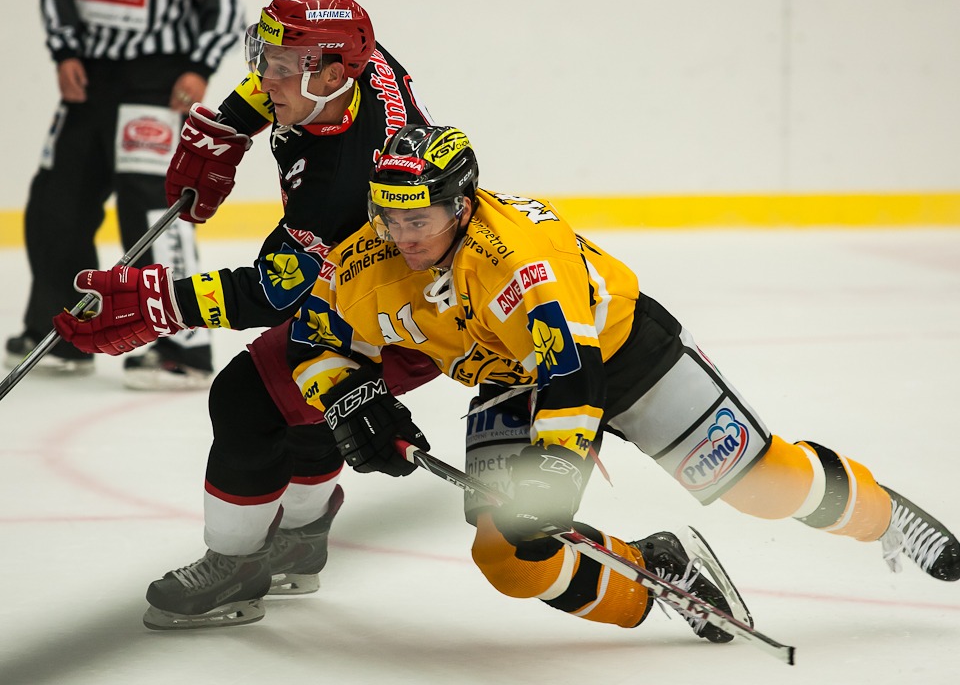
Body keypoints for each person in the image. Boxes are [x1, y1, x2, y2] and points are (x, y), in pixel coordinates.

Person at [55, 125, 960, 638]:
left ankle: (891, 518)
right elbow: (318, 344)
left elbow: (571, 372)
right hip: (509, 382)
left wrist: (554, 476)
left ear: (464, 203)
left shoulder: (518, 258)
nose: (403, 234)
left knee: (766, 487)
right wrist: (356, 402)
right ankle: (656, 572)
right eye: (389, 214)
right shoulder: (366, 260)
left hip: (617, 354)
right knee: (510, 559)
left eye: (422, 215)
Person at [54, 0, 440, 630]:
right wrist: (230, 128)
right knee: (302, 400)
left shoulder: (346, 182)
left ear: (332, 75)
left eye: (281, 67)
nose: (264, 78)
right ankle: (303, 541)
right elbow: (284, 79)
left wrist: (159, 301)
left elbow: (271, 291)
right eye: (263, 57)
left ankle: (235, 567)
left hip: (398, 312)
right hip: (367, 287)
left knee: (244, 398)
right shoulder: (356, 64)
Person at [5, 0, 245, 389]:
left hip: (158, 80)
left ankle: (182, 349)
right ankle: (60, 335)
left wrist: (199, 67)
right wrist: (65, 53)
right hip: (88, 78)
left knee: (152, 208)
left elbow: (226, 5)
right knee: (56, 204)